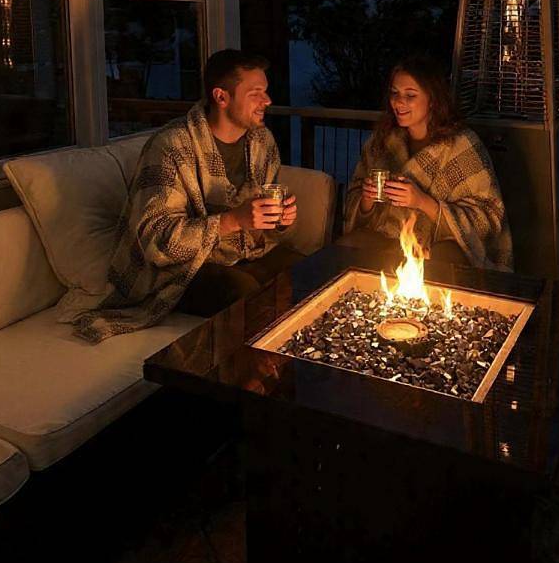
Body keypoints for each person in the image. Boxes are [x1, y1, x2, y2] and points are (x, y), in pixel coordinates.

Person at [62, 50, 299, 343]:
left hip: (242, 251)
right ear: (221, 97)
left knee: (307, 275)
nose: (267, 101)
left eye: (266, 92)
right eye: (256, 93)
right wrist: (232, 220)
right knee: (245, 295)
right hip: (182, 268)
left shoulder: (262, 142)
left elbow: (263, 214)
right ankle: (243, 381)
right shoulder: (172, 146)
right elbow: (155, 238)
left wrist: (280, 220)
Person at [341, 56, 513, 271]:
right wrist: (366, 200)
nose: (399, 102)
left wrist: (422, 202)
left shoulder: (461, 146)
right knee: (349, 246)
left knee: (439, 261)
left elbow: (489, 218)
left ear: (432, 99)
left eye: (410, 95)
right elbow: (354, 204)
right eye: (394, 93)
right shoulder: (383, 143)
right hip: (391, 239)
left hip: (443, 246)